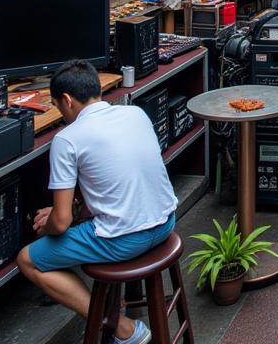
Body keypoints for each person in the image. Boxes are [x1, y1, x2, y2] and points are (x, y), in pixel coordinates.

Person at [17, 60, 177, 344]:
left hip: (126, 240)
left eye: (57, 106)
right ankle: (120, 321)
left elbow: (62, 222)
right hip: (166, 222)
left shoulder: (66, 139)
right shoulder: (135, 113)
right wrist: (67, 211)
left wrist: (47, 226)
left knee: (27, 259)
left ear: (66, 100)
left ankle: (124, 328)